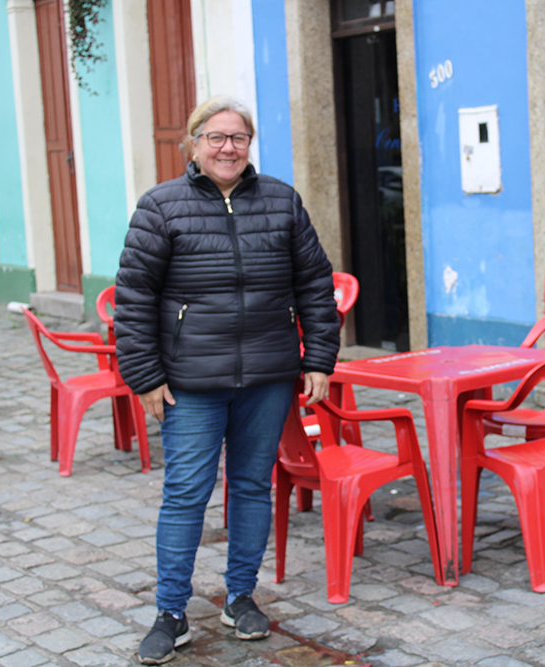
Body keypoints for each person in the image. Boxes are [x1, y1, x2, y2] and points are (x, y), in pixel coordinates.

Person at [114, 96, 341, 665]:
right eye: (215, 137)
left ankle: (241, 597)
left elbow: (316, 284)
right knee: (185, 493)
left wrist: (319, 358)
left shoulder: (282, 201)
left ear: (249, 145)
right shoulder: (160, 206)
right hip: (190, 381)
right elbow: (134, 298)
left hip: (267, 375)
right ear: (194, 144)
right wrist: (144, 376)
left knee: (251, 486)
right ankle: (170, 612)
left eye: (238, 137)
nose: (227, 148)